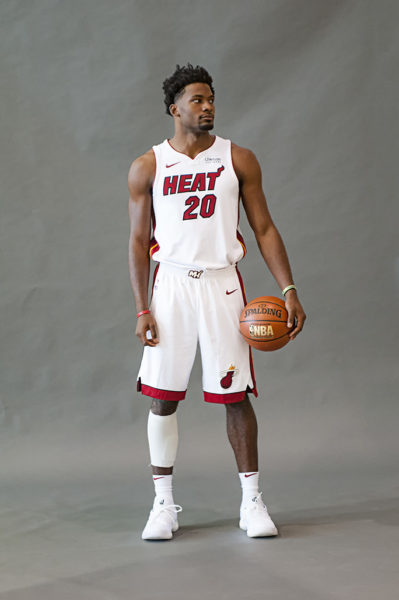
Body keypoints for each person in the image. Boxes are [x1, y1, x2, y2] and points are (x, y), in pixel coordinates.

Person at [128, 63, 306, 541]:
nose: (207, 107)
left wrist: (288, 288)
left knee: (235, 395)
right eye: (198, 100)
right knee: (162, 398)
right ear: (175, 108)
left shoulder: (238, 158)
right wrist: (142, 307)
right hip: (171, 289)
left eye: (211, 100)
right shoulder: (149, 166)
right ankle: (162, 505)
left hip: (223, 285)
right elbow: (137, 240)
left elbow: (264, 228)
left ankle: (252, 502)